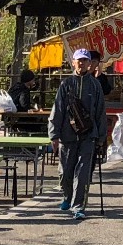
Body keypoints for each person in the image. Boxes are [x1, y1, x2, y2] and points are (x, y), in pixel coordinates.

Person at [48, 47, 107, 219]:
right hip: (67, 136)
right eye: (78, 60)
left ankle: (78, 206)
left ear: (90, 64)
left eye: (85, 60)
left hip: (88, 136)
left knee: (82, 173)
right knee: (65, 172)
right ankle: (67, 196)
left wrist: (101, 137)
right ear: (73, 62)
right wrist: (54, 135)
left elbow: (100, 112)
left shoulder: (95, 85)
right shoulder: (65, 85)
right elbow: (57, 110)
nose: (81, 63)